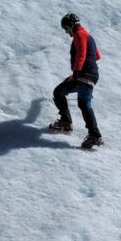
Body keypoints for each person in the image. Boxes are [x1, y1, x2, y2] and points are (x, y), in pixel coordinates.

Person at [48, 13, 103, 149]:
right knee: (59, 91)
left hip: (83, 75)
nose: (66, 32)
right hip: (88, 74)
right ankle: (66, 122)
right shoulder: (87, 35)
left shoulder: (79, 34)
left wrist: (77, 71)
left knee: (83, 104)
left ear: (70, 25)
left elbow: (82, 53)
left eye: (65, 28)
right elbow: (97, 55)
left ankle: (94, 135)